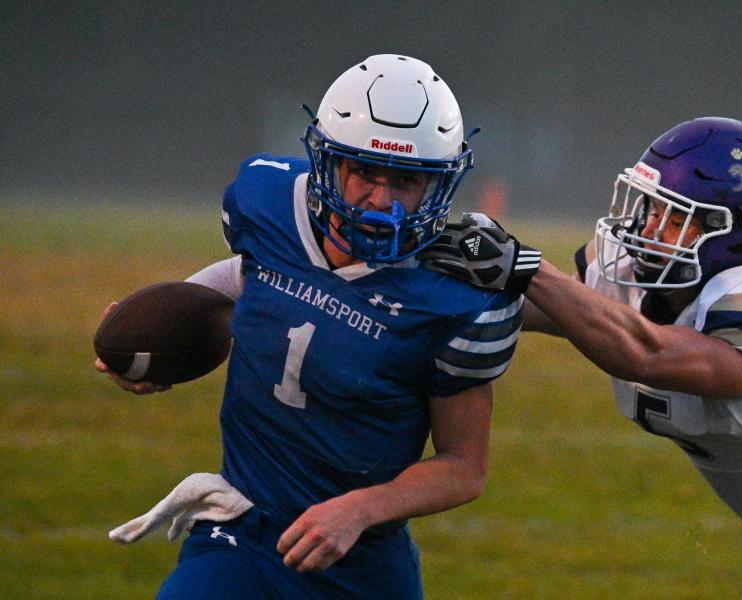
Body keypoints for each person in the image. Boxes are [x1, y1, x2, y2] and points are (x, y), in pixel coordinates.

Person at [419, 117, 742, 598]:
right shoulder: (635, 277)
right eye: (651, 210)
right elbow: (555, 309)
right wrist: (438, 274)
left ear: (734, 237)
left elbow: (646, 353)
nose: (648, 231)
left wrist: (524, 266)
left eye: (674, 220)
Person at [97, 54, 525, 599]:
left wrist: (360, 509)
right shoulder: (268, 204)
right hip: (243, 534)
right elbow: (249, 274)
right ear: (328, 163)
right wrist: (159, 333)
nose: (382, 200)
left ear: (440, 184)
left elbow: (465, 466)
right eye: (364, 172)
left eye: (407, 181)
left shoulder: (454, 297)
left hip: (363, 561)